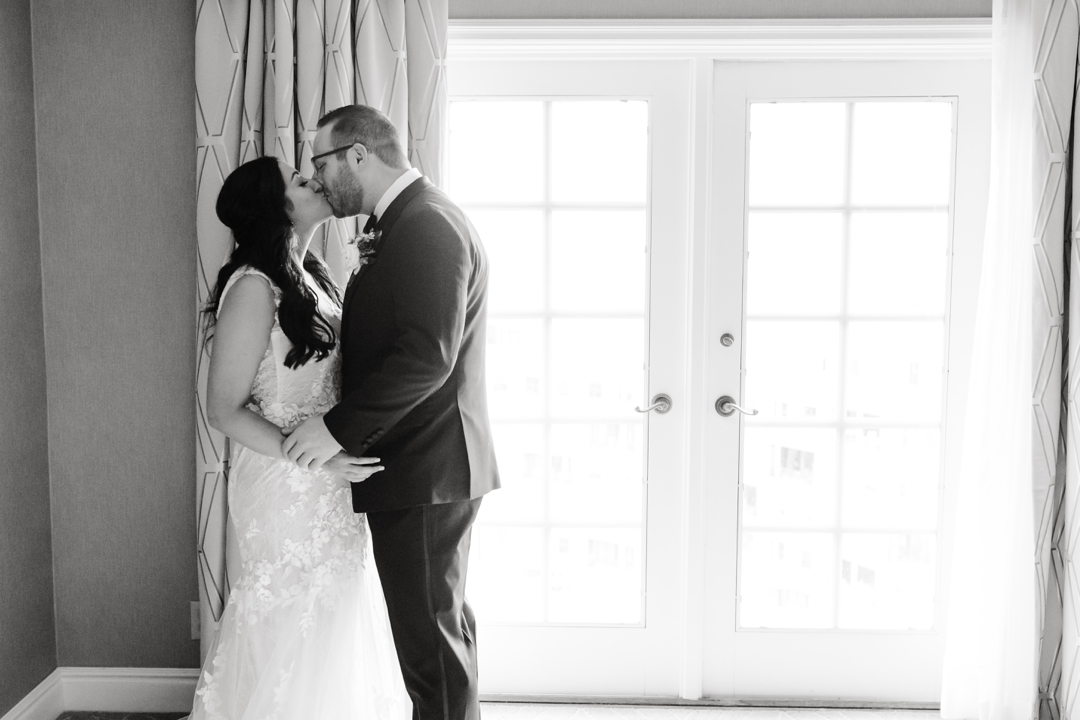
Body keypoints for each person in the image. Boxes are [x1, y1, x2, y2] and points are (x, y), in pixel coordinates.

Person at [282, 104, 500, 720]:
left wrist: (335, 431)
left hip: (426, 467)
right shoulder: (407, 219)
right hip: (420, 466)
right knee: (439, 633)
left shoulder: (426, 223)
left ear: (358, 154)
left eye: (321, 163)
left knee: (431, 649)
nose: (317, 179)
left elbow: (428, 357)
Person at [188, 155, 411, 719]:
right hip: (284, 484)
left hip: (331, 483)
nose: (315, 181)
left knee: (335, 618)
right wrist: (316, 461)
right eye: (299, 180)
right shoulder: (253, 287)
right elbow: (223, 409)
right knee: (289, 618)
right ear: (275, 207)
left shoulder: (314, 278)